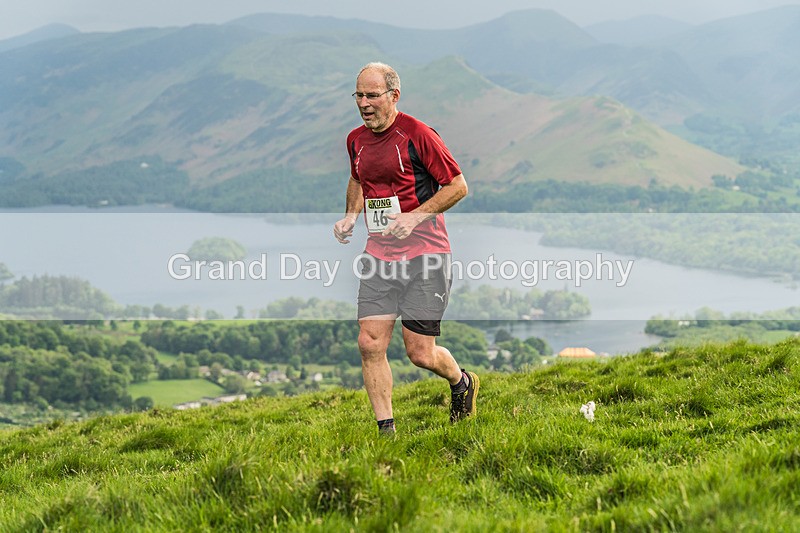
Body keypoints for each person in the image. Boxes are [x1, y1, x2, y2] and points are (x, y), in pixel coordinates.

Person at [333, 62, 478, 434]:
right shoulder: (355, 140)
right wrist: (351, 215)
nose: (364, 103)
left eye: (372, 95)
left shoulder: (417, 134)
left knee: (420, 354)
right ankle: (386, 430)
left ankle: (462, 382)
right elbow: (358, 178)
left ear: (393, 96)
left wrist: (415, 217)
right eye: (359, 95)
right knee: (369, 343)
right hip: (379, 257)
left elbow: (458, 186)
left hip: (426, 256)